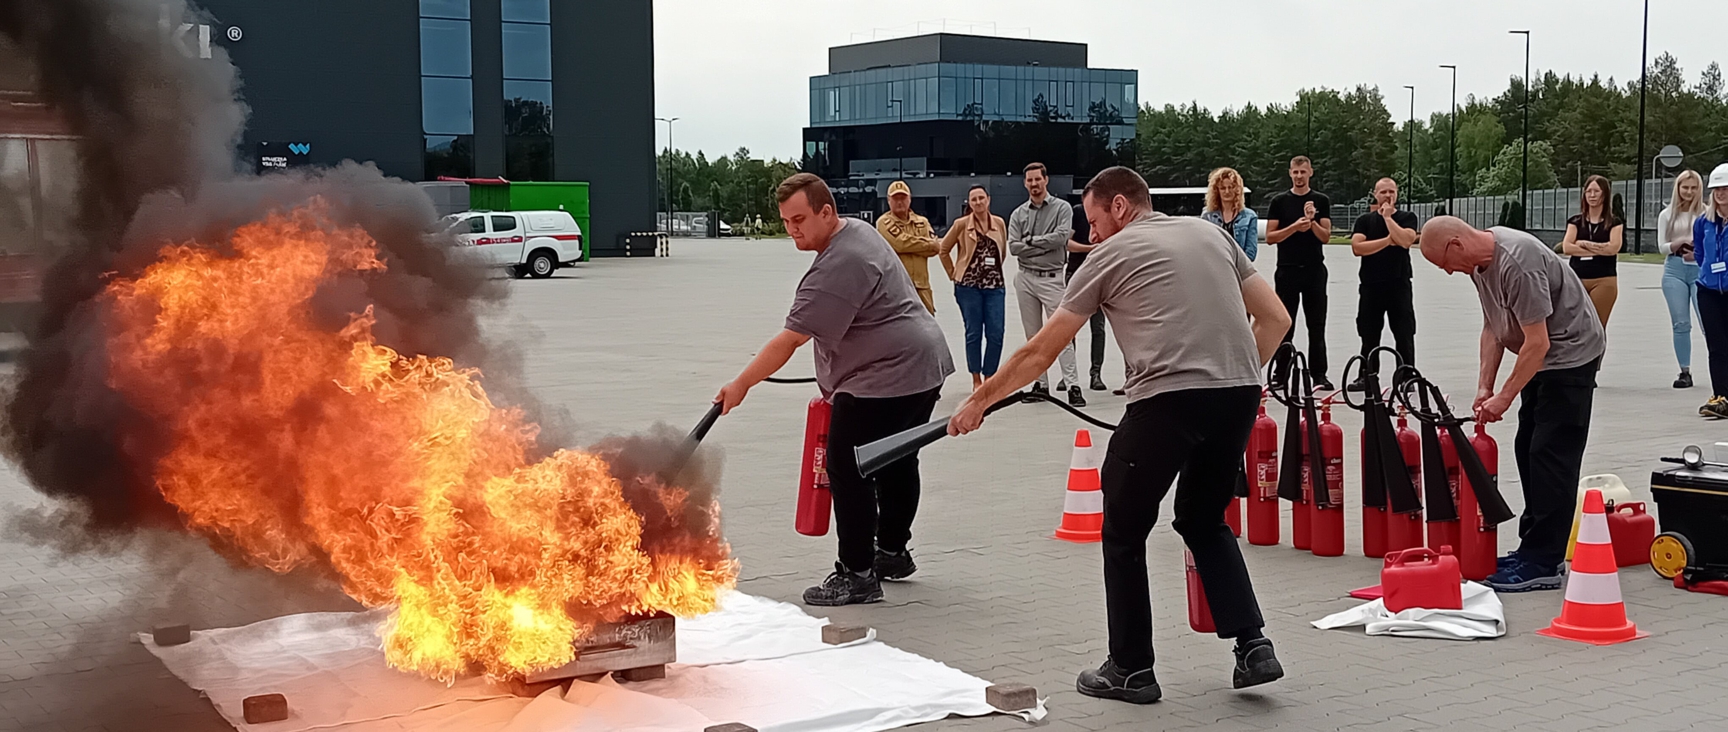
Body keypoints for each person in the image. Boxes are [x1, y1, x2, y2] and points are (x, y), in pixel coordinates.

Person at [950, 167, 1292, 704]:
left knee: (1125, 529)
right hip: (1240, 393)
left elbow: (1042, 349)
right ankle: (1253, 647)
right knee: (1204, 519)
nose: (1093, 235)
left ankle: (1131, 669)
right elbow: (1275, 319)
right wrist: (1230, 379)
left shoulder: (1109, 255)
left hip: (1164, 401)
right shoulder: (1212, 234)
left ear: (1119, 207)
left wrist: (980, 400)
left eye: (1094, 221)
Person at [716, 173, 955, 606]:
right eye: (786, 221)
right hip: (925, 366)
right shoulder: (858, 230)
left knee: (850, 467)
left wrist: (741, 384)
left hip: (886, 376)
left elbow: (789, 340)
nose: (793, 229)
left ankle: (858, 574)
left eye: (800, 219)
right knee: (896, 461)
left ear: (827, 212)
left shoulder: (838, 264)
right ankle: (891, 553)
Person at [1417, 216, 1605, 592]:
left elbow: (1538, 343)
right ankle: (1531, 547)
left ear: (1456, 244)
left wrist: (1506, 395)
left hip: (1569, 355)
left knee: (1551, 455)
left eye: (1444, 264)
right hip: (1541, 356)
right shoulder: (1479, 266)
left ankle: (1545, 561)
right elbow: (1493, 328)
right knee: (1528, 448)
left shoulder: (1519, 262)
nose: (1450, 273)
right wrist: (1485, 386)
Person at [1007, 162, 1084, 407]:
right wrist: (1041, 244)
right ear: (1025, 183)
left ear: (1046, 180)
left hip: (1052, 278)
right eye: (1029, 180)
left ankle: (1072, 385)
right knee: (1033, 336)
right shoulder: (1018, 214)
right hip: (1025, 278)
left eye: (1037, 179)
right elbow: (1013, 247)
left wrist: (1030, 242)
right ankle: (1040, 384)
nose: (1033, 184)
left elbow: (1061, 238)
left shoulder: (1062, 208)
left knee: (1060, 334)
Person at [1265, 156, 1334, 390]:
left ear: (1310, 173)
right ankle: (1281, 373)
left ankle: (1319, 375)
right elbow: (1270, 237)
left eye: (1303, 172)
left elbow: (1326, 236)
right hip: (1287, 270)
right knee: (1285, 324)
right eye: (1295, 172)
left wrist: (1312, 222)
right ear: (1290, 174)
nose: (1299, 176)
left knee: (1317, 325)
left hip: (1314, 270)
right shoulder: (1279, 201)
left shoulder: (1321, 200)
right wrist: (1295, 226)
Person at [1349, 177, 1420, 381]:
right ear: (1375, 194)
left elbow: (1406, 240)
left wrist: (1389, 219)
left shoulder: (1407, 217)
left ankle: (1407, 375)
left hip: (1399, 284)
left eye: (1392, 192)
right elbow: (1358, 248)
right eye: (1383, 192)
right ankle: (1367, 375)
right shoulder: (1365, 221)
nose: (1388, 196)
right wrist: (1389, 240)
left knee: (1404, 332)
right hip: (1371, 285)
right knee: (1369, 333)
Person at [939, 185, 1009, 391]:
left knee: (996, 332)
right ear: (969, 203)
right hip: (968, 288)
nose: (978, 202)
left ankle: (990, 376)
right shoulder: (961, 225)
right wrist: (953, 273)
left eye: (981, 198)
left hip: (995, 286)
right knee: (974, 332)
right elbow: (943, 250)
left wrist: (993, 271)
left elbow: (1002, 251)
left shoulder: (999, 223)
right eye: (973, 199)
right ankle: (976, 378)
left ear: (988, 200)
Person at [1658, 169, 1705, 390]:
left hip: (1700, 270)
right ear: (1678, 188)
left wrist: (1698, 251)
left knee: (1709, 322)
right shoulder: (1667, 215)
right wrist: (1679, 243)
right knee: (1681, 323)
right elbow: (1662, 247)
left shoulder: (1706, 213)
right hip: (1675, 269)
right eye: (1685, 187)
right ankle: (1685, 370)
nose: (1689, 191)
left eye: (1693, 188)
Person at [1561, 175, 1624, 327]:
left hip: (1603, 279)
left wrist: (1584, 244)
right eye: (1588, 191)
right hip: (1577, 278)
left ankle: (1596, 351)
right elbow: (1567, 247)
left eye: (1596, 191)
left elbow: (1613, 248)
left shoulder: (1614, 222)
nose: (1592, 195)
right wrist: (1600, 249)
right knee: (1574, 325)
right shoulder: (1575, 221)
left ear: (1605, 194)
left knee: (1595, 327)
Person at [1691, 164, 1728, 419]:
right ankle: (1721, 396)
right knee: (1716, 345)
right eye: (1717, 189)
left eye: (1726, 189)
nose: (1721, 194)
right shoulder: (1703, 222)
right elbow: (1700, 253)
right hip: (1708, 291)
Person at [877, 180, 940, 314]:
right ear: (888, 200)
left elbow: (935, 249)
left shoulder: (922, 222)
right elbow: (900, 244)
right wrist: (926, 245)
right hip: (897, 288)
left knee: (928, 328)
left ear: (910, 199)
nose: (899, 202)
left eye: (903, 198)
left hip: (922, 287)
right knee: (898, 328)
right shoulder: (883, 222)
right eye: (895, 198)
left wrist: (913, 245)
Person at [1067, 199, 1111, 392]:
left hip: (1099, 274)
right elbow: (1067, 243)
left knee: (1098, 327)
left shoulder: (1107, 214)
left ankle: (1096, 373)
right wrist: (1090, 249)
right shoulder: (1076, 212)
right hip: (1075, 273)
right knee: (1069, 328)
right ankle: (1070, 376)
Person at [1200, 167, 1259, 261]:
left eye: (1231, 187)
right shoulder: (1207, 216)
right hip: (1216, 267)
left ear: (1237, 190)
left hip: (1239, 270)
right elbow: (1204, 247)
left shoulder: (1250, 216)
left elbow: (1251, 253)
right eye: (1223, 188)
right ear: (1216, 191)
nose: (1227, 191)